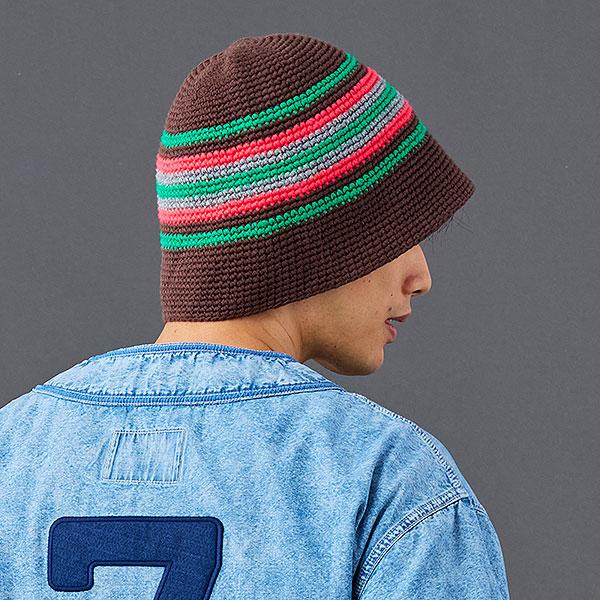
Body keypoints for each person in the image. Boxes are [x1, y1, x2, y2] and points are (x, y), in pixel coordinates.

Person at [0, 32, 510, 598]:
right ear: (320, 235)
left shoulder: (13, 453)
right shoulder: (389, 481)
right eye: (402, 233)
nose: (421, 275)